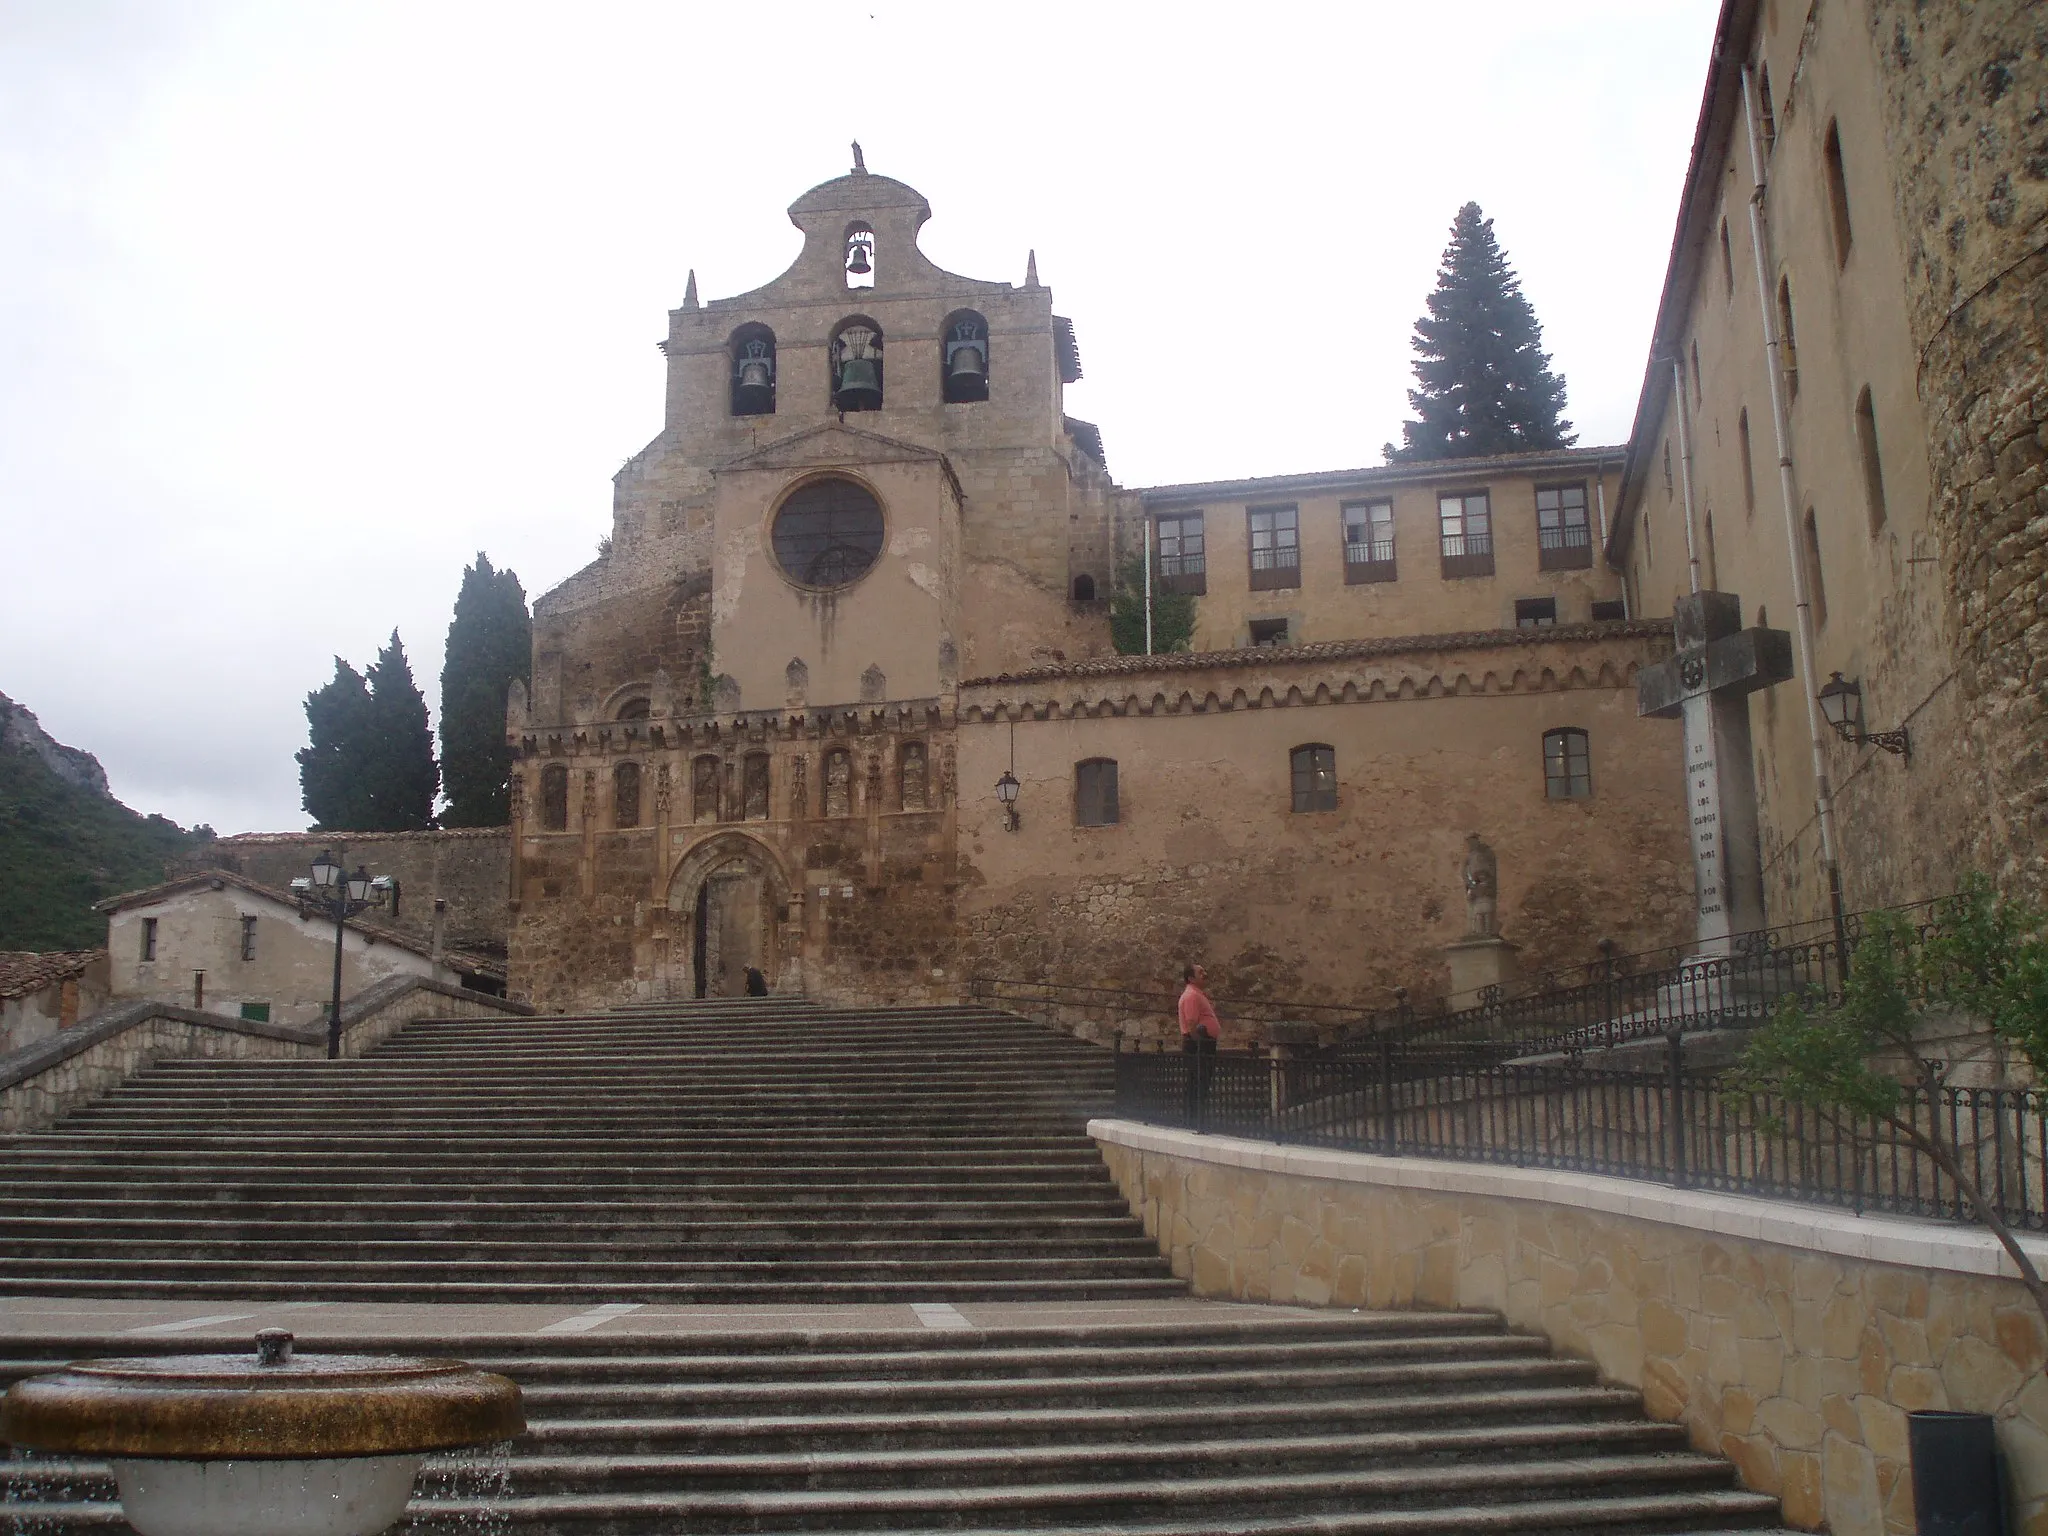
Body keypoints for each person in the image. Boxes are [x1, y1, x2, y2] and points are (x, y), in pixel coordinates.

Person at [1178, 963, 1221, 1124]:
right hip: (1198, 1044)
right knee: (1198, 1081)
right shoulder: (1192, 996)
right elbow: (1191, 1022)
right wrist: (1200, 1043)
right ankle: (1194, 1119)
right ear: (1190, 978)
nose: (1205, 974)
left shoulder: (1197, 994)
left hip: (1202, 1043)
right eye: (1200, 972)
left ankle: (1196, 1117)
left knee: (1201, 1081)